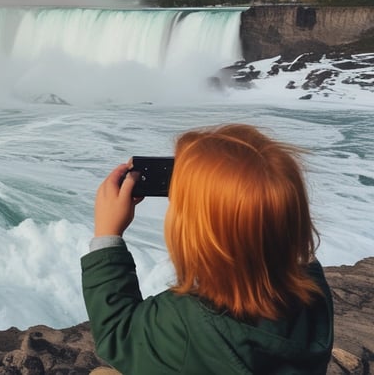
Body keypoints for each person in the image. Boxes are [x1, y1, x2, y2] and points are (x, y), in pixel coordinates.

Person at [81, 124, 333, 374]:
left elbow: (118, 334)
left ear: (198, 236)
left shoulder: (187, 322)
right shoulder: (313, 291)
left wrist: (107, 235)